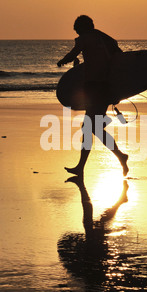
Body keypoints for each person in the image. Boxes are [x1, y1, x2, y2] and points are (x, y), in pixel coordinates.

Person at [57, 15, 129, 177]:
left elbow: (74, 52)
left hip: (94, 89)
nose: (75, 31)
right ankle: (85, 166)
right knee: (92, 128)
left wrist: (63, 61)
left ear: (82, 27)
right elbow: (114, 53)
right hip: (104, 88)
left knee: (90, 128)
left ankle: (119, 157)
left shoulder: (85, 38)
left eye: (76, 28)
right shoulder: (102, 37)